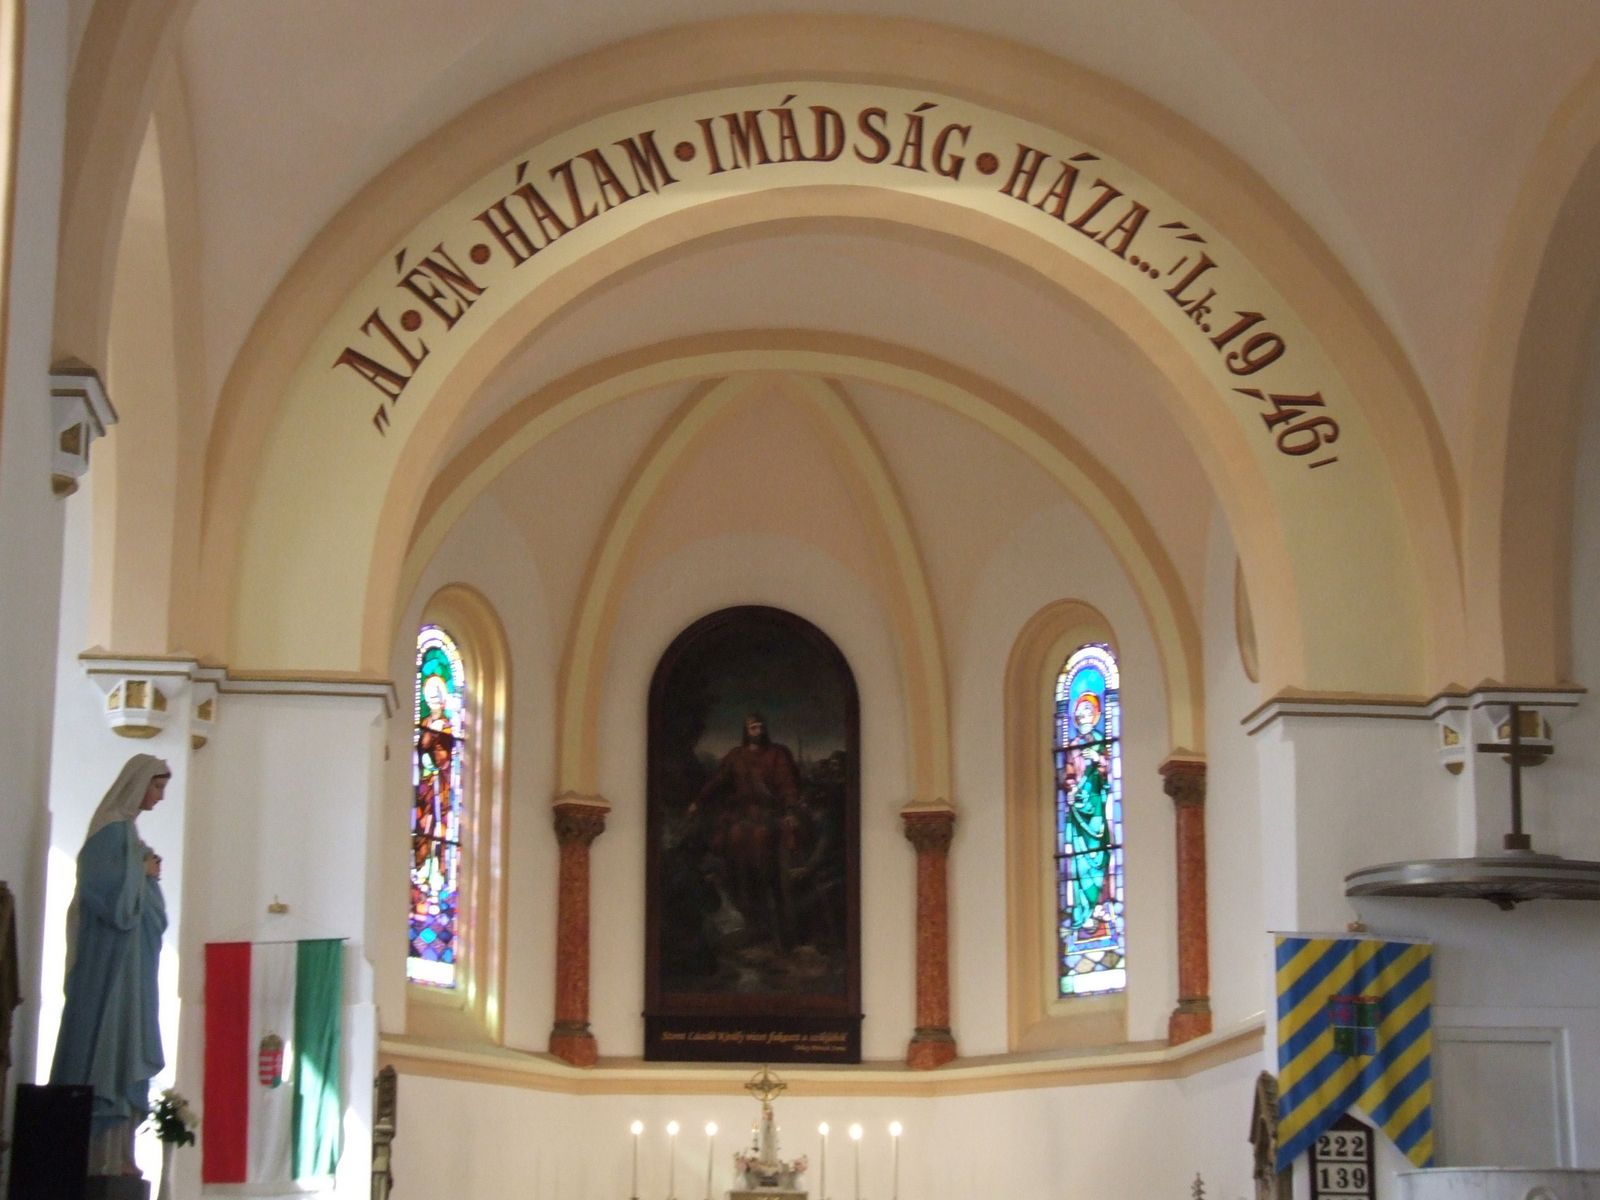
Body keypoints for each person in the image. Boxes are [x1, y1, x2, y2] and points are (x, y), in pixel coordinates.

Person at [51, 754, 170, 1177]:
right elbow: (106, 895)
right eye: (157, 786)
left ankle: (120, 1154)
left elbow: (144, 908)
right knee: (108, 1049)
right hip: (109, 967)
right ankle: (96, 1156)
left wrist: (145, 872)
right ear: (137, 784)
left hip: (132, 969)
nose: (160, 797)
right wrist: (142, 870)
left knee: (124, 1052)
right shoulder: (110, 832)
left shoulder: (130, 835)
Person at [688, 714, 803, 952]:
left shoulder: (777, 754)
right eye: (753, 727)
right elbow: (718, 781)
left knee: (769, 873)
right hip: (741, 819)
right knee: (737, 869)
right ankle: (752, 925)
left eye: (760, 726)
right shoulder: (736, 756)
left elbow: (788, 784)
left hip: (768, 817)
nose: (757, 731)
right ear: (746, 730)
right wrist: (698, 801)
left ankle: (780, 935)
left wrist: (791, 810)